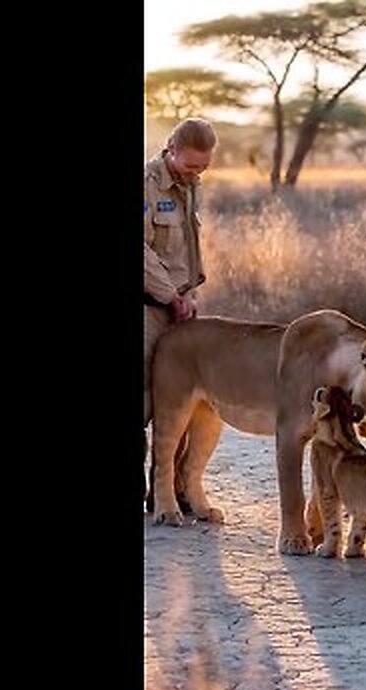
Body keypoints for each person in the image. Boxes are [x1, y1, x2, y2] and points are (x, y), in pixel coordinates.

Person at [143, 118, 216, 492]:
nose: (196, 173)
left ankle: (169, 493)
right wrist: (170, 295)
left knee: (183, 402)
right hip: (150, 308)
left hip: (183, 305)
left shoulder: (191, 185)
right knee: (145, 398)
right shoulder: (147, 185)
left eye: (203, 167)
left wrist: (186, 295)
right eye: (190, 165)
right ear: (170, 148)